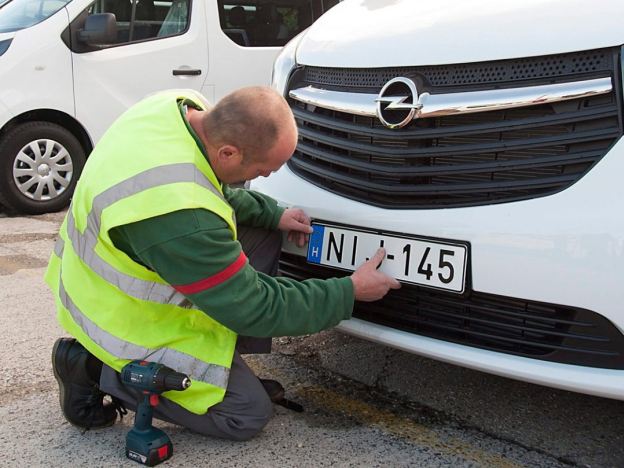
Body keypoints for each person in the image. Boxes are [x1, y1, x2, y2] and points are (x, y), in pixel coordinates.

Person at [46, 87, 401, 440]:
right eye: (263, 171)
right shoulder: (179, 215)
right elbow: (256, 306)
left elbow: (210, 185)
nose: (263, 178)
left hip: (112, 265)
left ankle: (223, 363)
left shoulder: (179, 107)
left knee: (262, 233)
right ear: (229, 152)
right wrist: (348, 292)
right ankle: (96, 368)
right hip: (118, 316)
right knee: (246, 414)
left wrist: (274, 214)